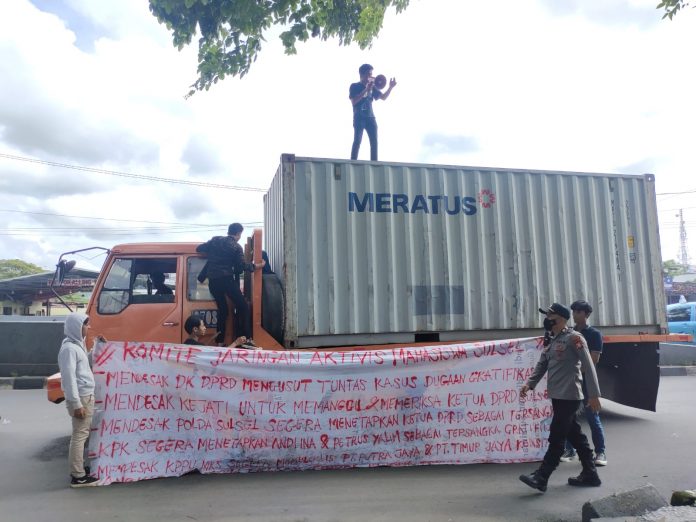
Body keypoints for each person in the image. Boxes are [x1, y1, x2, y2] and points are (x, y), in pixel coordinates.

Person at [518, 303, 602, 492]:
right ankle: (590, 474)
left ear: (562, 318)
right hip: (557, 396)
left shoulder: (575, 338)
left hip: (570, 396)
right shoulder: (552, 340)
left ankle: (542, 476)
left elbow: (589, 366)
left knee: (557, 435)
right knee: (575, 435)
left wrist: (595, 395)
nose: (548, 319)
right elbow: (542, 364)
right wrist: (529, 384)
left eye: (551, 316)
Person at [196, 224, 264, 344]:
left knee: (223, 311)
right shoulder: (236, 247)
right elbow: (241, 266)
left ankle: (220, 341)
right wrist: (258, 266)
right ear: (238, 233)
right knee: (243, 306)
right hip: (226, 280)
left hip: (213, 283)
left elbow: (199, 248)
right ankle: (247, 338)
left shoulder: (215, 240)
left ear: (228, 231)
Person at [57, 313, 104, 488]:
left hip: (85, 396)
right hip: (81, 397)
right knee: (80, 435)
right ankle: (78, 476)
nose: (87, 328)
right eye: (85, 325)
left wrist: (97, 347)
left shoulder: (77, 346)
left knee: (81, 434)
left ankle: (78, 470)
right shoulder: (69, 349)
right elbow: (69, 379)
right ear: (76, 327)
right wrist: (76, 404)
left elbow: (85, 364)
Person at [560, 300, 607, 466]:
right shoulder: (569, 333)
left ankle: (600, 453)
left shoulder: (594, 334)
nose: (574, 315)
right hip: (571, 383)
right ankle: (569, 450)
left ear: (586, 314)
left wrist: (576, 374)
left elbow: (593, 360)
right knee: (568, 418)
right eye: (573, 312)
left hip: (586, 383)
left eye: (578, 312)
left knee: (592, 418)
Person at [349, 63, 397, 161]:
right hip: (359, 117)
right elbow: (354, 101)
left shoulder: (372, 87)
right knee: (357, 141)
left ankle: (374, 164)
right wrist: (366, 89)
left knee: (374, 142)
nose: (370, 76)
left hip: (371, 118)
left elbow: (383, 97)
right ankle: (352, 162)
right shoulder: (354, 86)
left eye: (371, 74)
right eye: (368, 74)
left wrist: (391, 87)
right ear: (361, 75)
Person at [183, 313, 258, 349]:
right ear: (195, 329)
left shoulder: (186, 343)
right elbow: (220, 355)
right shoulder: (198, 347)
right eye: (203, 326)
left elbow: (203, 347)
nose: (205, 328)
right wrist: (236, 342)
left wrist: (212, 338)